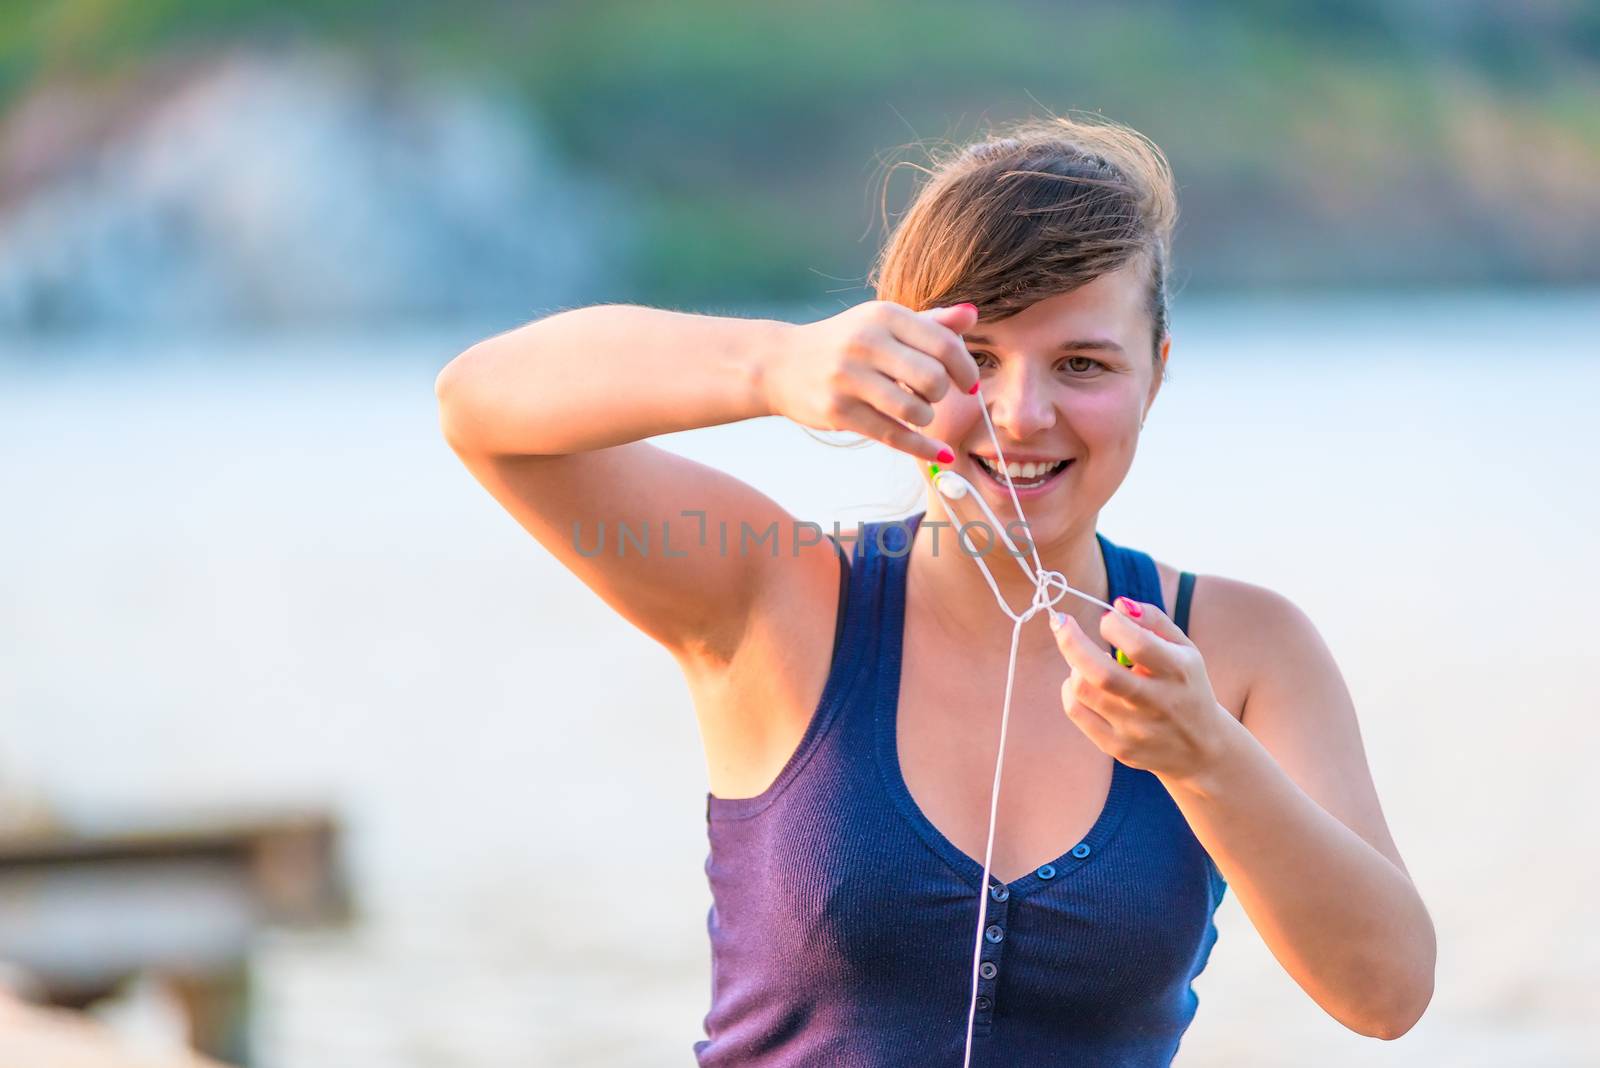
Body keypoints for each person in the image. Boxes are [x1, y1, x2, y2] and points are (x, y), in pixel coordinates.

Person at [434, 114, 1436, 1066]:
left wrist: (1206, 754)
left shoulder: (1243, 649)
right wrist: (772, 365)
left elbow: (1385, 992)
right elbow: (481, 405)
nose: (1022, 412)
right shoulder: (774, 594)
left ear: (1156, 377)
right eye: (974, 357)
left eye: (1081, 363)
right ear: (891, 360)